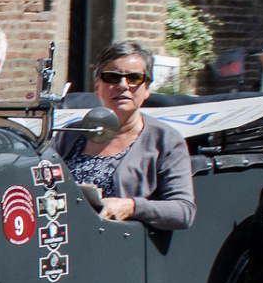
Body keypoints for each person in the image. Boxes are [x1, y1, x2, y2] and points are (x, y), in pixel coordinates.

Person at [49, 40, 195, 230]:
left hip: (121, 243)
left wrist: (131, 207)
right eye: (112, 77)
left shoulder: (165, 140)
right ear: (97, 86)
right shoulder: (70, 135)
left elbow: (183, 211)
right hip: (64, 237)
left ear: (147, 88)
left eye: (134, 78)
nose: (123, 85)